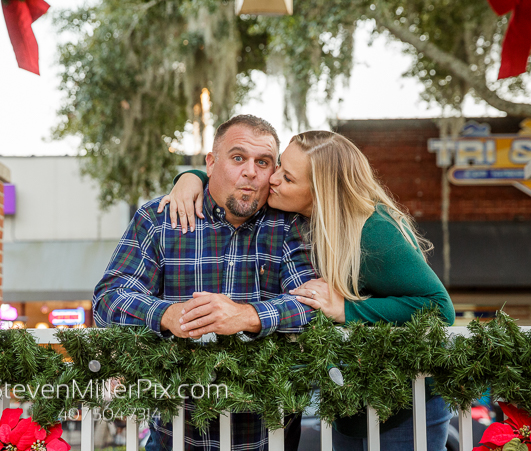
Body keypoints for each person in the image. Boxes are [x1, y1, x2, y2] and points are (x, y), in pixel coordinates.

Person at [160, 130, 456, 451]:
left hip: (405, 402)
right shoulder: (299, 219)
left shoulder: (372, 230)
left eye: (286, 177)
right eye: (279, 167)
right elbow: (229, 176)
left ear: (319, 192)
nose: (271, 179)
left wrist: (346, 309)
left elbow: (439, 308)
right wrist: (189, 178)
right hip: (350, 399)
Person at [93, 114, 318, 451]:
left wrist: (246, 317)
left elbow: (313, 304)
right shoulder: (160, 219)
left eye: (264, 162)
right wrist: (168, 315)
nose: (251, 171)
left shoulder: (288, 225)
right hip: (175, 436)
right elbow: (108, 299)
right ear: (210, 163)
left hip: (266, 439)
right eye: (238, 158)